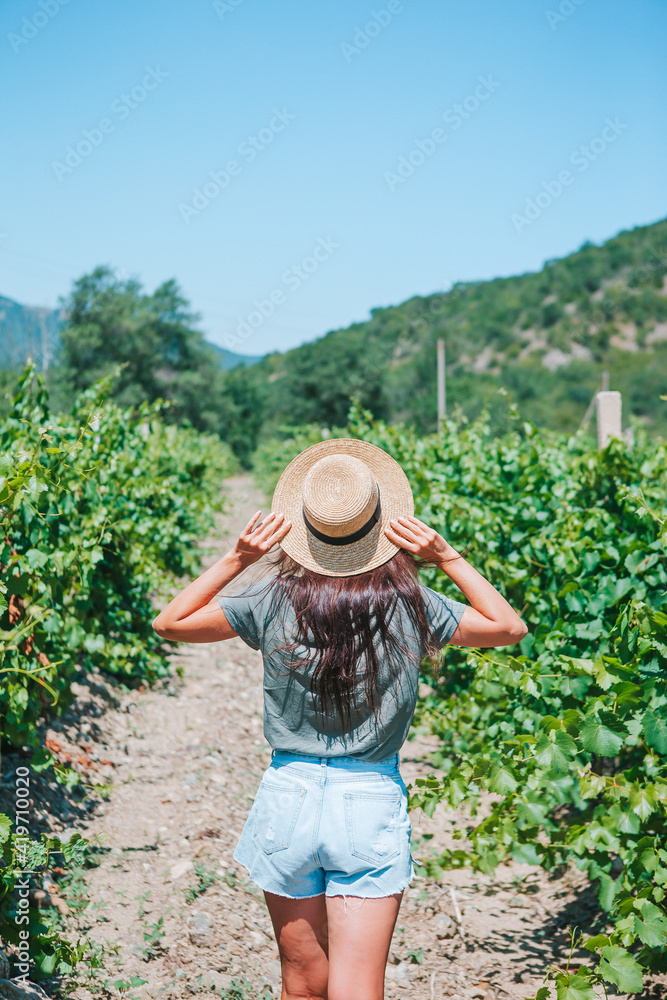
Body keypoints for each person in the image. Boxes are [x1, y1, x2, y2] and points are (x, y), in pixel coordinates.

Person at [153, 439, 527, 1000]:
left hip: (289, 795)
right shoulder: (412, 602)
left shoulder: (271, 596)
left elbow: (170, 623)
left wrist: (239, 557)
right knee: (357, 988)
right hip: (369, 800)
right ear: (382, 524)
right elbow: (508, 627)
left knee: (303, 981)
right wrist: (446, 557)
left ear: (304, 528)